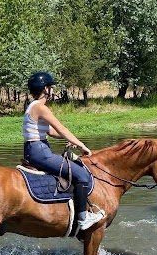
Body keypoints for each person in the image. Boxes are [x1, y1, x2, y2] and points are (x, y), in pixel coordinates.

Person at [23, 71, 105, 231]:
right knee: (81, 175)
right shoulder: (41, 107)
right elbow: (60, 128)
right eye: (50, 87)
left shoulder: (32, 106)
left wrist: (67, 139)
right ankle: (83, 218)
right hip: (40, 151)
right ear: (45, 89)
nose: (52, 90)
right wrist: (82, 145)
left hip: (33, 149)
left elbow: (50, 131)